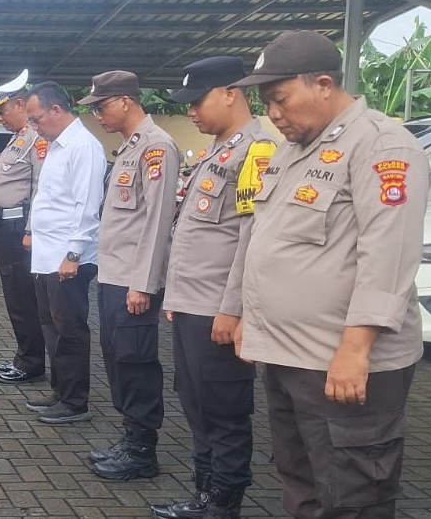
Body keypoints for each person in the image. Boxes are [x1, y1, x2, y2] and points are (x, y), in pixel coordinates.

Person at [232, 31, 428, 519]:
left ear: (322, 84)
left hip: (341, 362)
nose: (273, 114)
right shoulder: (293, 149)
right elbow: (271, 241)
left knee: (352, 495)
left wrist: (355, 348)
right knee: (301, 482)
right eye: (266, 103)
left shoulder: (382, 145)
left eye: (280, 99)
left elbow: (389, 254)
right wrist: (250, 319)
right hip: (289, 355)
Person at [152, 57, 275, 519]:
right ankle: (203, 494)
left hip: (218, 309)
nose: (190, 111)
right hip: (192, 304)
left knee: (224, 409)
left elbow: (250, 238)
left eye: (197, 100)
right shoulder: (217, 151)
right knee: (196, 403)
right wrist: (176, 296)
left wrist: (234, 308)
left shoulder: (256, 152)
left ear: (230, 93)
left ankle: (224, 502)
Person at [80, 70, 178, 480]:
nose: (98, 115)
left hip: (133, 281)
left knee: (136, 361)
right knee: (117, 356)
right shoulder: (130, 148)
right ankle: (130, 436)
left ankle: (142, 451)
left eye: (101, 106)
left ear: (125, 101)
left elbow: (157, 222)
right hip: (113, 275)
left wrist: (143, 284)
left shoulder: (157, 147)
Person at [19, 82, 105, 425]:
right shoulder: (56, 145)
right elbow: (46, 197)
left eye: (36, 119)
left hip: (67, 258)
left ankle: (75, 401)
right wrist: (32, 232)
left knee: (69, 329)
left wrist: (74, 253)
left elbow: (87, 204)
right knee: (50, 326)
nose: (34, 126)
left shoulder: (84, 146)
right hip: (47, 255)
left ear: (56, 109)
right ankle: (60, 390)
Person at [0, 70, 48, 385]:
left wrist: (31, 230)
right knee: (15, 296)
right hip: (4, 227)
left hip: (17, 227)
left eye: (2, 110)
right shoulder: (18, 138)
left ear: (20, 104)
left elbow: (40, 188)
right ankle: (25, 356)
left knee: (22, 297)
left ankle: (31, 362)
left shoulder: (37, 139)